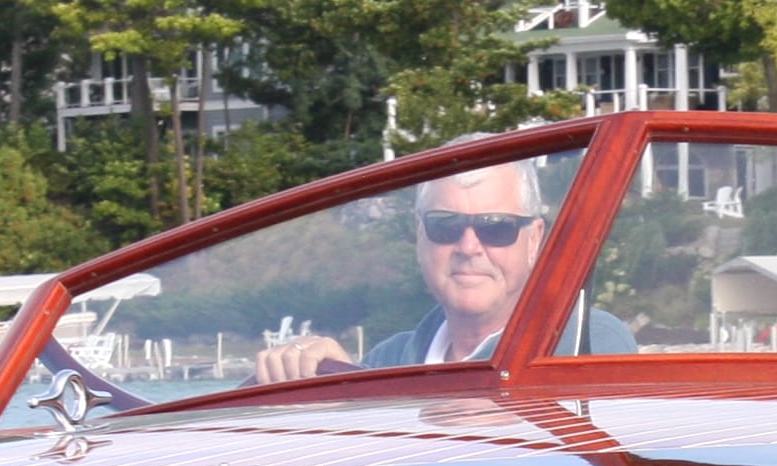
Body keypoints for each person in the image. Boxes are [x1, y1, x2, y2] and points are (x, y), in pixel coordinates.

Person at [251, 158, 632, 381]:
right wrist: (322, 378)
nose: (469, 247)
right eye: (445, 226)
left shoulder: (587, 341)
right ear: (420, 235)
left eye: (495, 227)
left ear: (533, 239)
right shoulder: (388, 361)